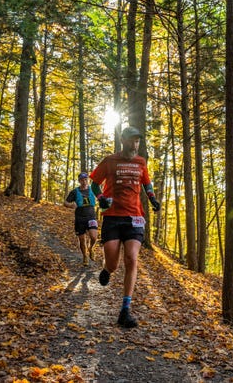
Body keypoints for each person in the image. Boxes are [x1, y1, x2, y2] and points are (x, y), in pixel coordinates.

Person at [90, 126, 161, 328]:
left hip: (134, 217)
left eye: (137, 141)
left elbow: (146, 182)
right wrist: (101, 198)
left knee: (131, 258)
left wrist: (153, 199)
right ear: (123, 140)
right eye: (131, 140)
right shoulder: (109, 161)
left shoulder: (141, 162)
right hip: (112, 216)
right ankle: (106, 269)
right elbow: (95, 183)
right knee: (113, 263)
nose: (135, 145)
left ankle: (125, 309)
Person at [64, 172, 99, 266]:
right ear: (79, 181)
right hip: (80, 218)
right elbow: (65, 203)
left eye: (86, 179)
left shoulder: (93, 190)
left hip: (91, 216)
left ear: (88, 180)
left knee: (94, 237)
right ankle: (85, 256)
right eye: (82, 180)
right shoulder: (75, 192)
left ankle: (91, 248)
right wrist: (71, 205)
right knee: (82, 240)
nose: (84, 181)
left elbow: (101, 197)